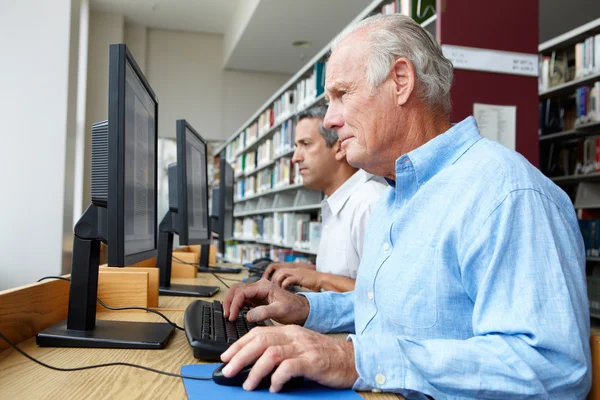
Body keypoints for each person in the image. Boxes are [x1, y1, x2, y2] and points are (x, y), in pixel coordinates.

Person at [219, 14, 592, 398]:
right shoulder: (396, 194)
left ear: (400, 81)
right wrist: (306, 308)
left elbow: (554, 369)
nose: (329, 120)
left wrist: (351, 359)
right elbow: (394, 312)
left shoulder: (507, 194)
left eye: (341, 94)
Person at [262, 105, 387, 292]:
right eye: (296, 146)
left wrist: (319, 279)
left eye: (306, 144)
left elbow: (379, 294)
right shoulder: (338, 203)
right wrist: (304, 271)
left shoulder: (369, 204)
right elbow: (351, 274)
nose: (295, 158)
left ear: (339, 147)